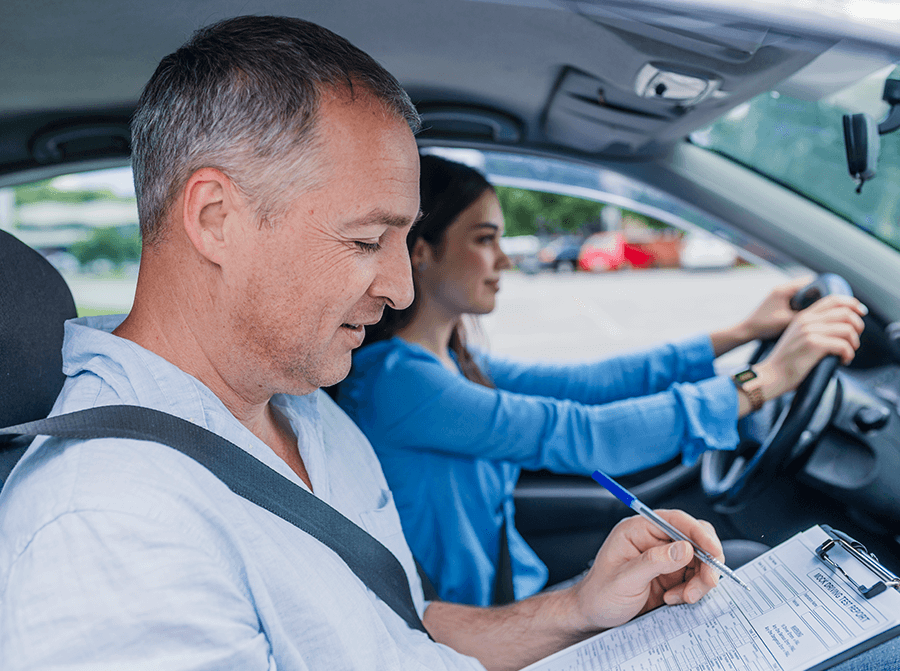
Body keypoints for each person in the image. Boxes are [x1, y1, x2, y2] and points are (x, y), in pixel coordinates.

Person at [0, 15, 728, 671]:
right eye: (366, 238)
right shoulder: (111, 527)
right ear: (216, 218)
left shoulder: (308, 414)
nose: (400, 288)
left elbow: (398, 634)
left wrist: (578, 610)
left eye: (402, 240)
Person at [336, 154, 869, 608]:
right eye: (484, 239)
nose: (504, 258)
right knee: (748, 572)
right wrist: (766, 380)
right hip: (478, 627)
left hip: (513, 590)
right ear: (421, 251)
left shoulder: (451, 363)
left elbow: (589, 385)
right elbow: (586, 434)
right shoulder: (397, 384)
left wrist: (741, 333)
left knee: (739, 570)